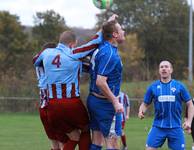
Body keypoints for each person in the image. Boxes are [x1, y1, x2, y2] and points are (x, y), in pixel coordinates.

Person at [33, 15, 118, 150]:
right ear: (72, 44)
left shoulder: (47, 53)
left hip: (52, 105)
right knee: (85, 129)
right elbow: (95, 41)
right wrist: (108, 23)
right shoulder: (73, 53)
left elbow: (35, 60)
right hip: (71, 102)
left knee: (71, 137)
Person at [87, 18, 125, 150]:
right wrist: (115, 101)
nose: (123, 31)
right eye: (121, 29)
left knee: (97, 141)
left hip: (94, 100)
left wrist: (108, 22)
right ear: (114, 34)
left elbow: (102, 33)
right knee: (113, 142)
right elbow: (100, 81)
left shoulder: (102, 46)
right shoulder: (109, 53)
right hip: (105, 104)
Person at [138, 60, 194, 150]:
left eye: (166, 67)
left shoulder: (179, 86)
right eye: (161, 67)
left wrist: (189, 121)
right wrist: (141, 111)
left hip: (175, 127)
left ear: (171, 70)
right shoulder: (153, 87)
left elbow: (190, 104)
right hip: (158, 126)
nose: (164, 69)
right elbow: (145, 104)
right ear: (159, 71)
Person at [35, 42, 65, 150]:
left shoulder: (38, 63)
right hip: (53, 106)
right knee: (63, 143)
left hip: (43, 108)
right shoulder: (51, 65)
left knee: (54, 143)